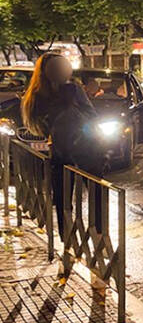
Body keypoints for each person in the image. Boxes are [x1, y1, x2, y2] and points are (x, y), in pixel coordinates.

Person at [21, 53, 107, 276]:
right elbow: (38, 126)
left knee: (83, 195)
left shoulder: (67, 91)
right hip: (70, 152)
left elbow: (90, 115)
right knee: (65, 199)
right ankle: (73, 243)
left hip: (75, 151)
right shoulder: (42, 95)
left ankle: (92, 240)